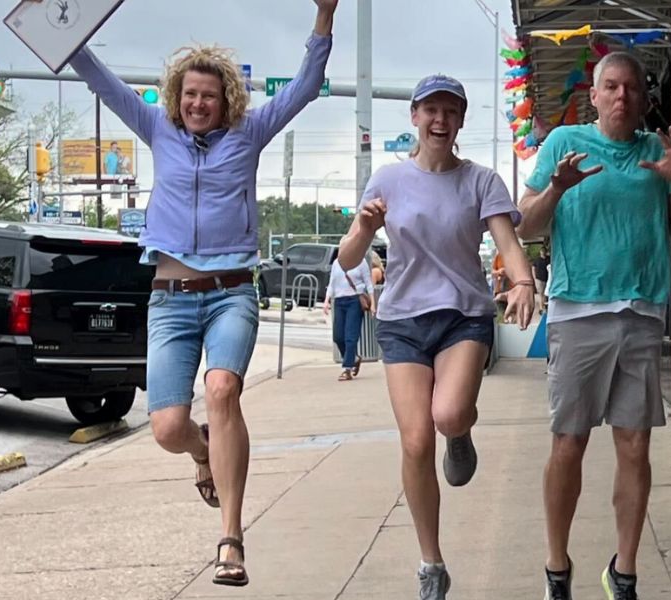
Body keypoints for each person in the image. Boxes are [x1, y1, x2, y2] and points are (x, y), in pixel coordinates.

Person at [67, 0, 338, 587]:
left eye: (208, 96)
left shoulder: (251, 132)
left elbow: (307, 85)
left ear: (226, 101)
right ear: (176, 97)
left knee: (221, 389)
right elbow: (100, 81)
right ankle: (201, 452)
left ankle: (231, 539)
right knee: (166, 427)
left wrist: (324, 17)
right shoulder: (156, 128)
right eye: (189, 94)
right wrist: (62, 28)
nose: (197, 104)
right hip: (169, 298)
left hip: (231, 293)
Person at [339, 74, 535, 600]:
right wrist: (362, 226)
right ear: (414, 118)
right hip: (402, 321)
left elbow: (507, 242)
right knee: (415, 441)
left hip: (462, 316)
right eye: (431, 110)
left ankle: (461, 431)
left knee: (446, 415)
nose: (440, 120)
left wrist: (521, 281)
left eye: (451, 111)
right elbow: (349, 257)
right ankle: (431, 563)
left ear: (461, 121)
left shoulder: (481, 180)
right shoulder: (387, 180)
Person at [516, 51, 671, 600]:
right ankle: (556, 569)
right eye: (612, 87)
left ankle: (623, 572)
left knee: (635, 447)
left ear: (644, 99)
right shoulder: (562, 145)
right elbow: (524, 226)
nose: (623, 96)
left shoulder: (658, 152)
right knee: (568, 444)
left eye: (633, 89)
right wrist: (557, 188)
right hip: (578, 314)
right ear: (594, 96)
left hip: (643, 314)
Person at [323, 256, 375, 380]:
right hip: (339, 301)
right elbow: (332, 283)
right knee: (338, 337)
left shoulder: (360, 262)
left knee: (350, 337)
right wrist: (326, 300)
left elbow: (368, 282)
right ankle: (354, 358)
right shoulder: (336, 263)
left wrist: (373, 303)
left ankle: (347, 368)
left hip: (355, 300)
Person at [532, 246, 550, 312]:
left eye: (544, 251)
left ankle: (545, 307)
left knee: (546, 294)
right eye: (542, 251)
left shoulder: (549, 259)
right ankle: (541, 308)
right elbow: (533, 268)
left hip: (547, 279)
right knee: (541, 294)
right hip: (539, 279)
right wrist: (534, 277)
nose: (543, 252)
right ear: (540, 252)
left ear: (546, 251)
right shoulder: (537, 260)